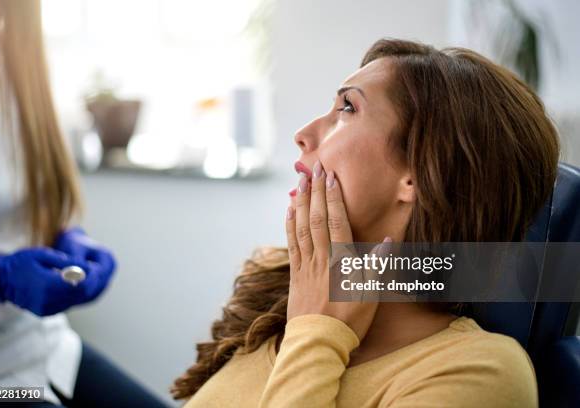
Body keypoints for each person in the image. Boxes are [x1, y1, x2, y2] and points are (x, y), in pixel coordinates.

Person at [172, 38, 559, 407]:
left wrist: (316, 334)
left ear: (422, 174)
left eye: (347, 109)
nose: (303, 135)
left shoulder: (480, 374)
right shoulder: (278, 294)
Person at [0, 1, 167, 406]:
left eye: (339, 104)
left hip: (36, 345)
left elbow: (19, 198)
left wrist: (68, 237)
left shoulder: (8, 46)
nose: (303, 134)